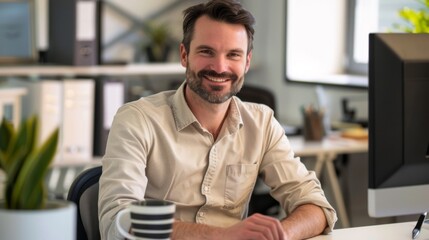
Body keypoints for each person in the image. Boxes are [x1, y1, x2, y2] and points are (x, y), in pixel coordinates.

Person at [98, 0, 337, 239]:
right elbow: (118, 221)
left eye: (233, 54)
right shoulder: (137, 120)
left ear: (247, 62)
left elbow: (316, 207)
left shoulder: (262, 124)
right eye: (206, 51)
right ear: (184, 55)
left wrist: (278, 234)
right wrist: (221, 236)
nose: (220, 67)